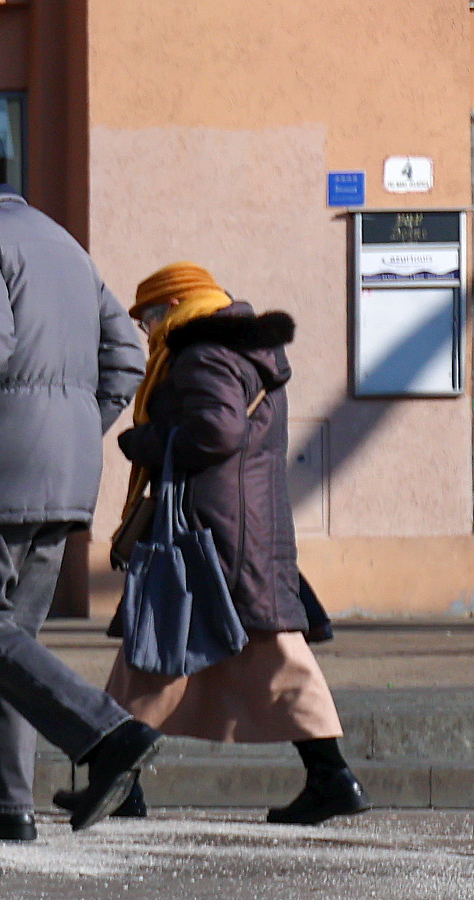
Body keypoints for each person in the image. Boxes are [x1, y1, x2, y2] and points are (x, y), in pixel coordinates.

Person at [0, 142, 152, 840]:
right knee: (9, 638)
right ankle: (4, 800)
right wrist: (74, 425)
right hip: (64, 473)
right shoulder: (60, 241)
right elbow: (127, 355)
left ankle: (106, 732)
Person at [103, 263, 364, 828]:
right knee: (156, 652)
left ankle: (332, 776)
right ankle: (118, 780)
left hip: (213, 529)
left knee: (181, 642)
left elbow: (217, 430)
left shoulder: (202, 352)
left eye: (149, 316)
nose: (147, 329)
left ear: (175, 303)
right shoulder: (235, 349)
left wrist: (142, 439)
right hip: (239, 524)